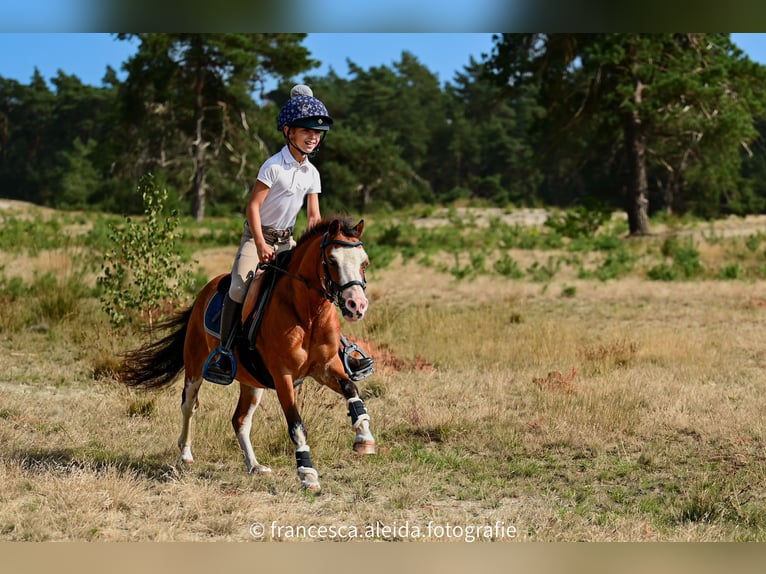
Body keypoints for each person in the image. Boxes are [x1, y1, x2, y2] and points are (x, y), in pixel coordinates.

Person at [203, 85, 374, 386]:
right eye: (306, 131)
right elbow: (253, 208)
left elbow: (313, 217)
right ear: (288, 131)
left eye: (317, 133)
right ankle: (225, 353)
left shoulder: (312, 173)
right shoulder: (273, 166)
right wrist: (259, 244)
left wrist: (315, 249)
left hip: (287, 241)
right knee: (238, 289)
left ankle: (342, 349)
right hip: (257, 238)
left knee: (321, 287)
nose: (313, 137)